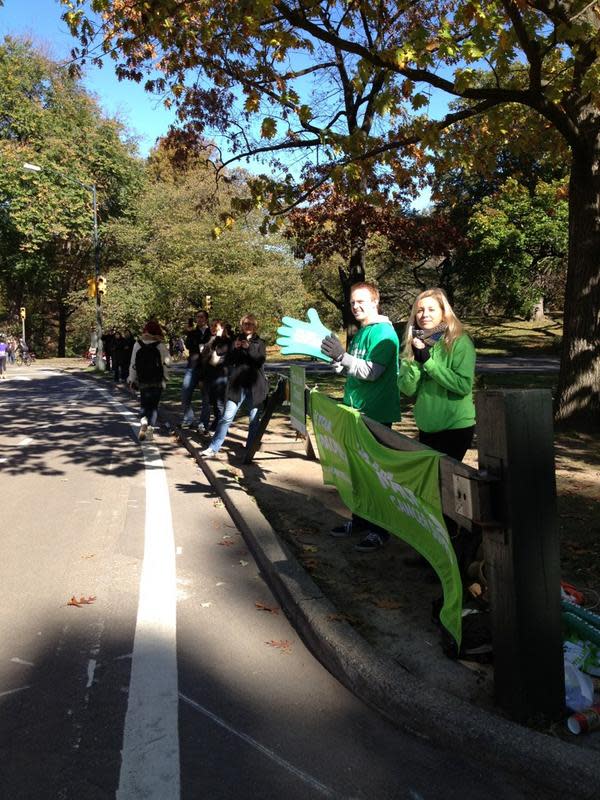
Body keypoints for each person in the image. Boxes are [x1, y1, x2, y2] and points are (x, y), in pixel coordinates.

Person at [398, 287, 477, 575]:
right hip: (428, 427)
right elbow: (407, 389)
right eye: (419, 310)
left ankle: (450, 561)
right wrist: (415, 363)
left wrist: (429, 362)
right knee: (429, 495)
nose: (424, 315)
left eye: (431, 309)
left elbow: (461, 386)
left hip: (455, 427)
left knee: (445, 496)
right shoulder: (414, 343)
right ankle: (432, 552)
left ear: (444, 312)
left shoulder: (459, 342)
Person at [320, 282, 401, 552]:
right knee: (357, 473)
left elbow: (372, 372)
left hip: (375, 415)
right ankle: (360, 521)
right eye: (353, 302)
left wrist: (343, 357)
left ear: (375, 302)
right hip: (354, 411)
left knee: (375, 476)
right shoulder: (361, 333)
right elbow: (352, 368)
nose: (356, 306)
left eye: (361, 301)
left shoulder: (385, 333)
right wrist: (337, 362)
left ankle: (380, 531)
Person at [201, 314, 268, 457]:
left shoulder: (260, 342)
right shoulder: (236, 339)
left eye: (250, 324)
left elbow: (259, 360)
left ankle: (250, 450)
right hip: (238, 385)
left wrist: (248, 347)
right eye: (245, 324)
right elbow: (224, 357)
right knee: (226, 417)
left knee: (254, 420)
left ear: (255, 326)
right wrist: (234, 347)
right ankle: (213, 447)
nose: (248, 326)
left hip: (255, 386)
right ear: (241, 325)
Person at [128, 320, 171, 441]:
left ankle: (143, 421)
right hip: (157, 380)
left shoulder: (138, 344)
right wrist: (165, 378)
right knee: (154, 407)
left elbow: (133, 364)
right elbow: (168, 363)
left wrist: (131, 379)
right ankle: (150, 431)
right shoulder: (160, 345)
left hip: (143, 380)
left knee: (144, 404)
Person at [181, 311, 211, 430]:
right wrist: (189, 333)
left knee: (206, 397)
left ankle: (203, 423)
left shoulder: (210, 331)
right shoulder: (192, 332)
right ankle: (188, 418)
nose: (199, 319)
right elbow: (188, 346)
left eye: (202, 317)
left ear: (206, 319)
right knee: (185, 392)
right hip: (193, 366)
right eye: (197, 317)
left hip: (207, 367)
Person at [203, 319, 231, 431]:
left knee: (220, 403)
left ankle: (222, 428)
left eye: (216, 326)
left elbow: (219, 352)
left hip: (221, 375)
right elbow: (204, 355)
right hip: (210, 374)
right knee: (213, 401)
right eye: (211, 326)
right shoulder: (211, 339)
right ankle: (218, 423)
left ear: (222, 328)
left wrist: (218, 337)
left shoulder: (226, 341)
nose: (213, 328)